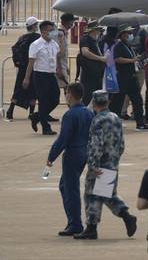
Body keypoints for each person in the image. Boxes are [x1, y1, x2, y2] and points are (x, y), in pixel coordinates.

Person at [74, 90, 137, 240]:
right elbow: (121, 143)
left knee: (92, 195)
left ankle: (92, 227)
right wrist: (115, 157)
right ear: (107, 102)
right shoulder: (116, 118)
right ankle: (126, 216)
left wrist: (93, 164)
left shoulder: (97, 120)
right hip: (112, 161)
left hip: (100, 163)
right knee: (106, 194)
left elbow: (96, 144)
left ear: (94, 103)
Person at [46, 83, 95, 237]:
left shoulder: (70, 115)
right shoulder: (89, 113)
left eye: (66, 93)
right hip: (85, 151)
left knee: (70, 188)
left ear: (70, 95)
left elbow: (63, 139)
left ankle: (75, 223)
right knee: (64, 185)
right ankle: (73, 221)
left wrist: (51, 157)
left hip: (73, 153)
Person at [22, 20, 61, 135]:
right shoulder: (36, 45)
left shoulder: (54, 43)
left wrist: (59, 69)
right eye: (51, 30)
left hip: (51, 75)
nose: (53, 32)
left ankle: (37, 116)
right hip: (40, 75)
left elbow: (57, 56)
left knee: (55, 99)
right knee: (43, 101)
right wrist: (26, 78)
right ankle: (46, 127)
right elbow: (31, 63)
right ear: (43, 31)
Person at [109, 25, 148, 130]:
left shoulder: (128, 45)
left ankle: (140, 123)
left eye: (129, 33)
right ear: (121, 34)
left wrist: (136, 59)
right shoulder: (118, 46)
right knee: (118, 101)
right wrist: (131, 60)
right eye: (126, 33)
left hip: (131, 76)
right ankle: (114, 123)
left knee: (137, 101)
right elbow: (117, 59)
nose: (128, 35)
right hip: (123, 77)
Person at [6, 16, 40, 121]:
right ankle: (31, 113)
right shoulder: (38, 38)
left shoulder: (22, 38)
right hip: (34, 67)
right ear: (34, 26)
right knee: (33, 91)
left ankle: (10, 111)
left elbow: (14, 49)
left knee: (18, 89)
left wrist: (18, 63)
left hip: (22, 68)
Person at [77, 22, 107, 106]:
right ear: (93, 30)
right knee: (88, 96)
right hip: (89, 73)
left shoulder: (96, 41)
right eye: (98, 30)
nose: (99, 32)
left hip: (97, 73)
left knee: (98, 96)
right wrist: (100, 58)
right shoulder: (85, 39)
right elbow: (85, 52)